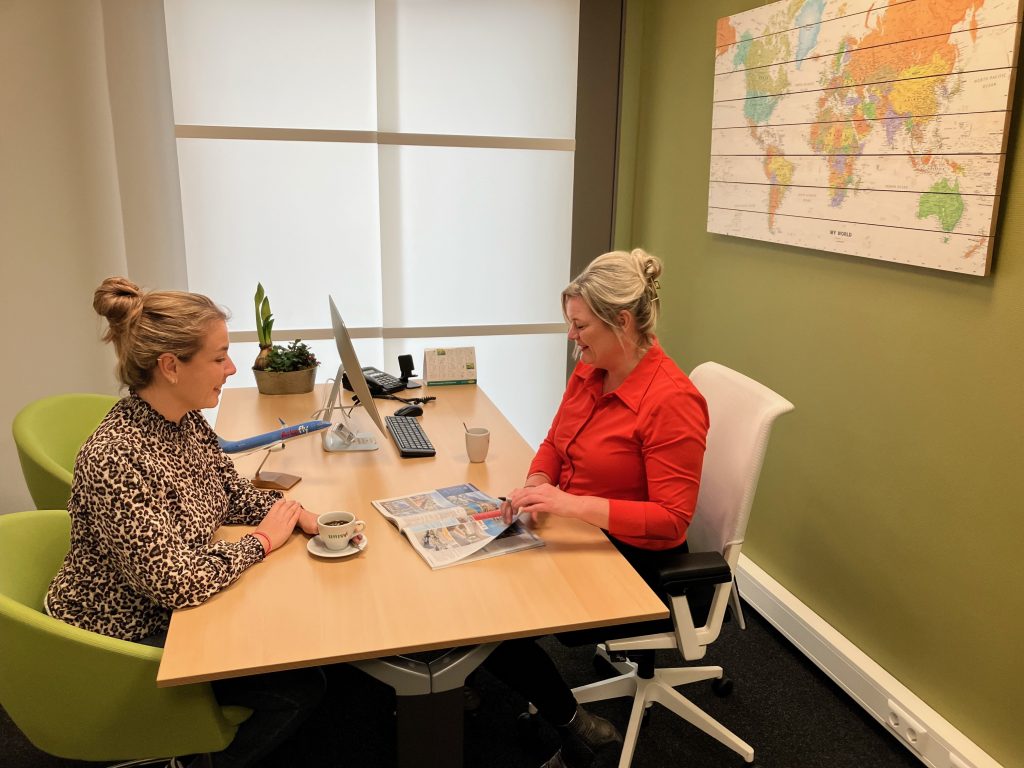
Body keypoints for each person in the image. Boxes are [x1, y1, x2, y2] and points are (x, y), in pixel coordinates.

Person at [45, 277, 326, 768]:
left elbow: (231, 497)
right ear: (171, 367)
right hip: (125, 636)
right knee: (300, 685)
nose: (232, 368)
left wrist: (297, 516)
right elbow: (177, 584)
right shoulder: (117, 458)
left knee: (295, 630)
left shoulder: (184, 419)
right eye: (219, 358)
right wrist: (263, 541)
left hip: (175, 603)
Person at [484, 249, 710, 768]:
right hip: (581, 532)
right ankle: (511, 697)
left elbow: (672, 521)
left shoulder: (671, 400)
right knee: (481, 589)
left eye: (580, 325)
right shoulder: (591, 371)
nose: (572, 337)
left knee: (493, 619)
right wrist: (538, 481)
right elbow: (554, 443)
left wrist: (572, 504)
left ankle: (575, 728)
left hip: (638, 561)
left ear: (622, 322)